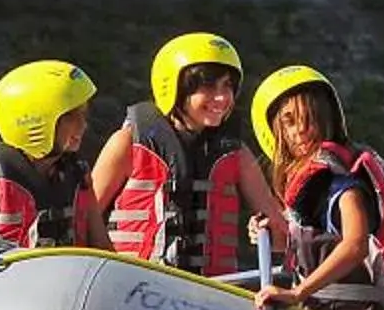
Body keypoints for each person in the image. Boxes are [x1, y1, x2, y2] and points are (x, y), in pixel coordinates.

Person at [249, 65, 384, 310]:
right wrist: (271, 238)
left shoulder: (343, 182)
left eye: (310, 119)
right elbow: (318, 246)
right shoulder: (314, 184)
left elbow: (355, 246)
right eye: (289, 121)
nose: (301, 131)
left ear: (327, 120)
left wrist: (298, 293)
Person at [94, 33, 288, 279]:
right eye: (208, 87)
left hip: (209, 294)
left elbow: (281, 236)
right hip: (133, 287)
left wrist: (267, 231)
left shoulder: (236, 154)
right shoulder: (127, 143)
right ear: (174, 88)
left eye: (228, 86)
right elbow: (84, 219)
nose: (221, 98)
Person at [0, 61, 99, 250]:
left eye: (83, 114)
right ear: (34, 121)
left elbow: (103, 247)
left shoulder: (79, 174)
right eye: (71, 116)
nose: (83, 125)